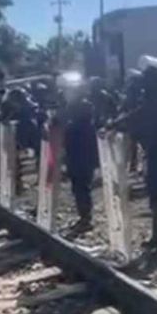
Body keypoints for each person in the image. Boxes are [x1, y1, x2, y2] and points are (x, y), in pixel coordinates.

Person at [111, 65, 157, 256]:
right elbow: (133, 117)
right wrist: (115, 125)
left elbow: (135, 118)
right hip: (154, 155)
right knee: (156, 199)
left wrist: (117, 124)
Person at [63, 87, 99, 232]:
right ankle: (85, 217)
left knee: (80, 190)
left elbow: (67, 143)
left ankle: (85, 218)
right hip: (86, 162)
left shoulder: (73, 128)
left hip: (77, 162)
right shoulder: (89, 127)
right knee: (84, 189)